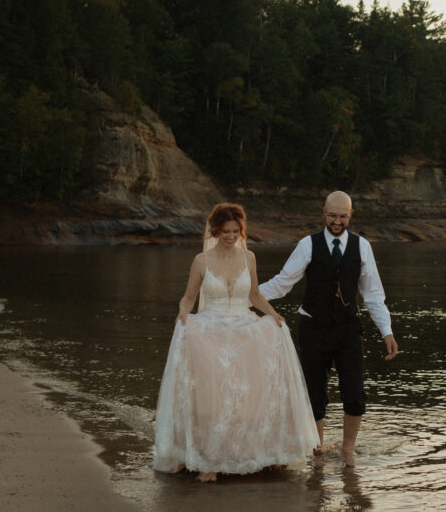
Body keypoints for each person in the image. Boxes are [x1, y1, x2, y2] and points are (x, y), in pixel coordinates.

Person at [152, 203, 319, 482]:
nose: (230, 236)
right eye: (225, 231)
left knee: (248, 396)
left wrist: (273, 313)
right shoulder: (201, 261)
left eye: (235, 231)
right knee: (212, 398)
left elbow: (254, 295)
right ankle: (207, 459)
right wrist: (182, 313)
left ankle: (263, 453)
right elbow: (189, 298)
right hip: (210, 330)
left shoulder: (248, 257)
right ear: (215, 230)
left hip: (243, 328)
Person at [259, 191, 399, 468]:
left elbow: (373, 294)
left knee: (355, 394)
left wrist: (387, 331)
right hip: (314, 328)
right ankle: (317, 450)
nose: (337, 221)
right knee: (314, 394)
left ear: (351, 215)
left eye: (342, 216)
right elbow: (281, 284)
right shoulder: (307, 245)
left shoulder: (363, 247)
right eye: (332, 215)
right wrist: (245, 295)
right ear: (324, 212)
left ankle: (348, 450)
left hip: (349, 329)